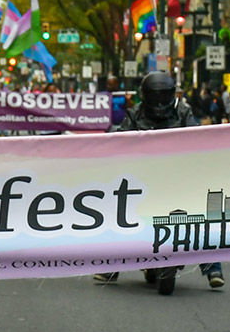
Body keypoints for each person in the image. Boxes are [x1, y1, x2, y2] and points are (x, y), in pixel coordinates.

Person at [95, 72, 223, 294]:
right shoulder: (135, 114)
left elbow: (197, 139)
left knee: (201, 215)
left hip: (178, 178)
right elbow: (120, 142)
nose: (160, 101)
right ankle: (111, 266)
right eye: (155, 96)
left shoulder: (183, 112)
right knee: (120, 212)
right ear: (145, 96)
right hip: (143, 178)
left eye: (164, 96)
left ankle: (213, 268)